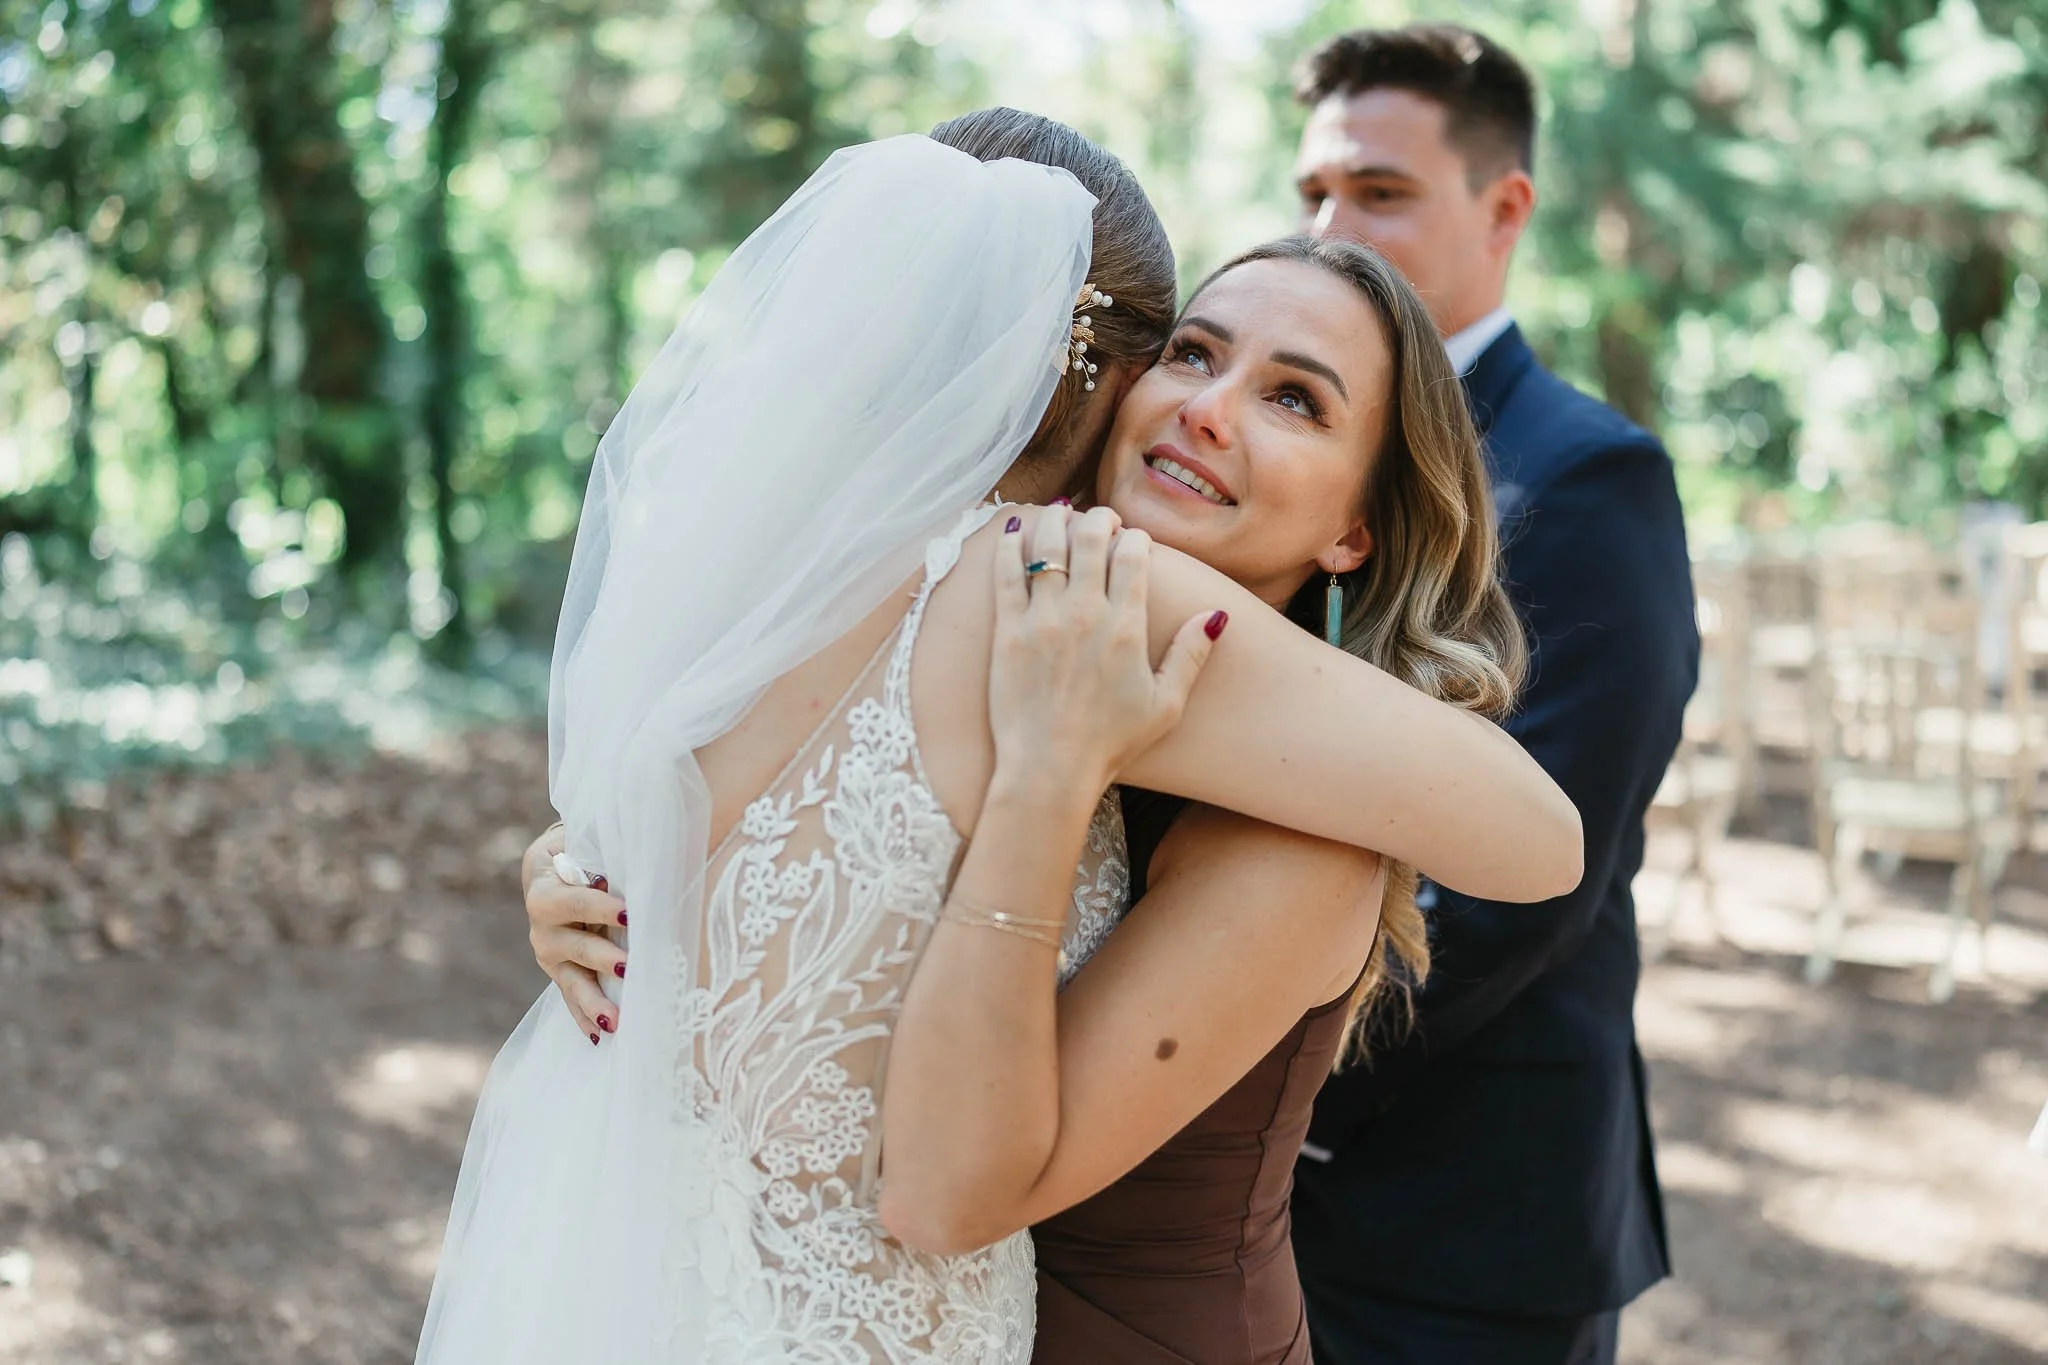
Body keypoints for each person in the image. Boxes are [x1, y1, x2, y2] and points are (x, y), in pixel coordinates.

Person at [434, 111, 1577, 1365]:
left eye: (1293, 400)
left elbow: (1542, 843)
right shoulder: (1017, 594)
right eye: (1191, 352)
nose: (1206, 409)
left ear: (1357, 529)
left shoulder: (1218, 745)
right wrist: (596, 870)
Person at [1285, 25, 1700, 1365]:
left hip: (1468, 1219)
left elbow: (1518, 887)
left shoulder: (1585, 475)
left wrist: (1226, 1062)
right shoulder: (1301, 448)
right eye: (1314, 195)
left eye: (1379, 192)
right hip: (1275, 1212)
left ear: (1504, 208)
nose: (1329, 228)